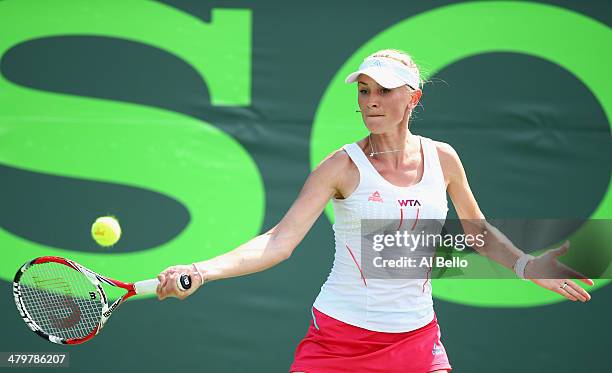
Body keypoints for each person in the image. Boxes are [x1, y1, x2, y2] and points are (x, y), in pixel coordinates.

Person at [155, 49, 594, 373]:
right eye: (365, 91)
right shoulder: (340, 166)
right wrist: (202, 270)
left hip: (418, 342)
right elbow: (278, 242)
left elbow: (476, 234)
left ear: (413, 99)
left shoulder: (444, 159)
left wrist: (526, 265)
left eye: (385, 91)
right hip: (339, 341)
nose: (371, 101)